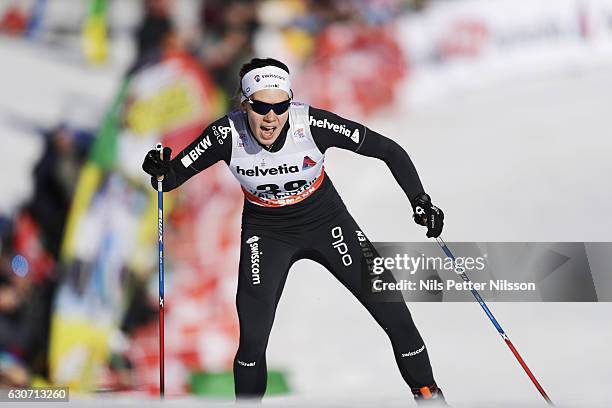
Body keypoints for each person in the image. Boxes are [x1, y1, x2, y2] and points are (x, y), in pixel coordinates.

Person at [142, 57, 446, 405]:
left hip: (326, 221)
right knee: (253, 339)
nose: (271, 117)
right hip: (267, 232)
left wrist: (420, 200)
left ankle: (430, 398)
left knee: (393, 311)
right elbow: (170, 177)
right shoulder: (226, 133)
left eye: (280, 106)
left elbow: (388, 150)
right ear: (245, 105)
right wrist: (159, 169)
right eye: (260, 107)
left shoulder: (311, 123)